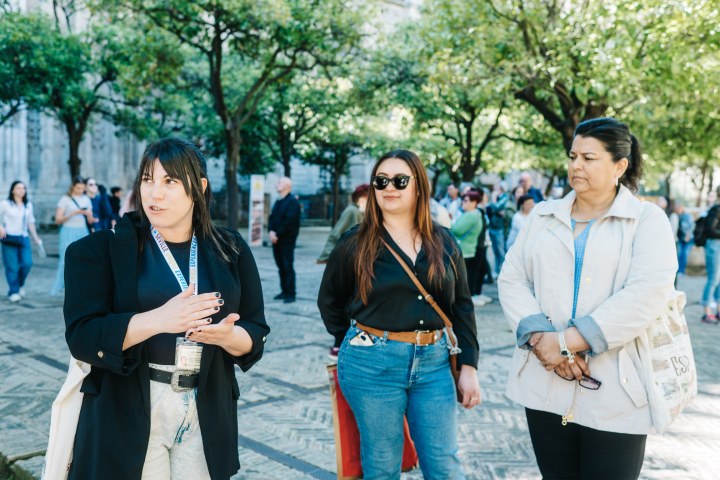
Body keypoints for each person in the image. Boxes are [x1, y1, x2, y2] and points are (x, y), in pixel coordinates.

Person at [62, 138, 270, 479]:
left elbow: (256, 331)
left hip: (206, 404)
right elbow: (82, 337)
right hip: (133, 406)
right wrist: (159, 319)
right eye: (147, 179)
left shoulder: (230, 248)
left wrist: (229, 337)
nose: (154, 193)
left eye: (169, 181)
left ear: (199, 187)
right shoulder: (101, 250)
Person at [498, 117, 677, 479]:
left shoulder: (647, 220)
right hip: (547, 379)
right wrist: (542, 340)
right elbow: (512, 279)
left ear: (620, 166)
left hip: (617, 387)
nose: (576, 165)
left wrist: (566, 342)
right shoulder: (543, 217)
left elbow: (646, 294)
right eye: (573, 155)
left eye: (589, 158)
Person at [318, 149, 481, 479]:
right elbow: (330, 301)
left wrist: (469, 366)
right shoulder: (355, 244)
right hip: (371, 366)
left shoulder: (444, 242)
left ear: (418, 187)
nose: (388, 187)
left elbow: (462, 305)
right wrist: (355, 340)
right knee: (382, 465)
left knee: (444, 463)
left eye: (399, 180)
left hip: (435, 364)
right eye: (380, 181)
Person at [50, 176, 95, 296]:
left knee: (83, 259)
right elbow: (58, 220)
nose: (80, 190)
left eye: (82, 188)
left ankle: (79, 287)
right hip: (68, 231)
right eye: (78, 188)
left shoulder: (86, 199)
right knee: (65, 260)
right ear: (73, 187)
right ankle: (59, 287)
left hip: (82, 231)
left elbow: (90, 221)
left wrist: (89, 215)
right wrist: (73, 213)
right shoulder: (65, 199)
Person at [0, 181, 43, 302]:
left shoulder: (28, 205)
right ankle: (13, 291)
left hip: (23, 237)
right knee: (12, 267)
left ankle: (19, 284)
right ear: (13, 190)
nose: (21, 190)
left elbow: (31, 222)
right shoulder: (5, 204)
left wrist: (36, 237)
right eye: (18, 188)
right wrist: (1, 227)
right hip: (8, 238)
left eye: (23, 188)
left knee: (27, 263)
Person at [317, 184, 369, 264]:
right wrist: (327, 254)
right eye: (366, 198)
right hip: (346, 258)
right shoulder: (353, 211)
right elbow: (337, 234)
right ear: (358, 199)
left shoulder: (358, 211)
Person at [268, 176, 301, 303]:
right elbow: (272, 218)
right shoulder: (278, 201)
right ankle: (284, 291)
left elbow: (290, 221)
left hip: (286, 240)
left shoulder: (292, 202)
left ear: (287, 186)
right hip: (275, 239)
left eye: (279, 182)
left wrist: (277, 234)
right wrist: (271, 231)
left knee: (287, 266)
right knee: (280, 266)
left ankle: (291, 293)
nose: (277, 184)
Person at [451, 190, 485, 308]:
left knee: (460, 279)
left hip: (464, 250)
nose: (463, 203)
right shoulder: (475, 214)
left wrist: (450, 223)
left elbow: (456, 229)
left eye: (466, 201)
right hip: (467, 249)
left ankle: (460, 301)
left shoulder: (471, 215)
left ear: (474, 202)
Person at [700, 188, 720, 324]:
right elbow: (710, 229)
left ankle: (718, 311)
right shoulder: (716, 210)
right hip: (714, 245)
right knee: (713, 279)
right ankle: (707, 312)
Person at [486, 183, 514, 276]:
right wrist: (496, 209)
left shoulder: (505, 198)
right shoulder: (498, 198)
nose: (494, 188)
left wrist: (493, 199)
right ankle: (496, 270)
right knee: (495, 251)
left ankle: (502, 272)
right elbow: (490, 208)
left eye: (496, 187)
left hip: (500, 228)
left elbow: (496, 207)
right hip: (493, 227)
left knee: (501, 251)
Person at [675, 201, 694, 278]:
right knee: (680, 254)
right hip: (680, 239)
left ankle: (681, 271)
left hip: (688, 239)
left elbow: (691, 226)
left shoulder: (687, 216)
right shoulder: (677, 216)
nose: (677, 209)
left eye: (678, 207)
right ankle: (679, 270)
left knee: (684, 255)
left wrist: (688, 235)